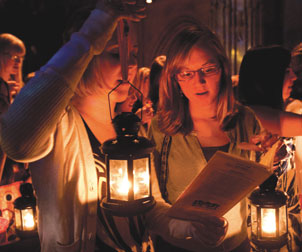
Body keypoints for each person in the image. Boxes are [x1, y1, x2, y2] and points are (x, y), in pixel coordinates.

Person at [0, 1, 229, 252]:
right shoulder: (59, 124)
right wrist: (95, 28)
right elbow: (17, 142)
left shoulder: (130, 130)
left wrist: (190, 228)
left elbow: (150, 206)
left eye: (132, 54)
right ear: (86, 55)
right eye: (114, 54)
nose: (130, 65)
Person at [147, 19, 267, 252]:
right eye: (186, 74)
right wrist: (187, 229)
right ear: (175, 78)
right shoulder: (161, 128)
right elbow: (150, 205)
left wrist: (271, 158)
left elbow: (260, 191)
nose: (198, 81)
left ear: (222, 68)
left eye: (208, 69)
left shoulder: (246, 119)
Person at [237, 45, 302, 251]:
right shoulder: (253, 115)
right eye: (286, 71)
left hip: (285, 221)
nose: (294, 77)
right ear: (267, 77)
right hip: (263, 226)